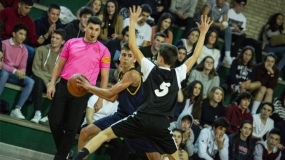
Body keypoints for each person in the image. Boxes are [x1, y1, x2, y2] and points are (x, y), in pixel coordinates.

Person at [72, 6, 213, 160]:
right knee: (175, 158)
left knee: (104, 135)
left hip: (142, 116)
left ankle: (78, 157)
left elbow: (133, 45)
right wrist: (203, 33)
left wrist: (132, 22)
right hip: (160, 123)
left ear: (159, 58)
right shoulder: (178, 73)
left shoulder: (150, 69)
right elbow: (195, 56)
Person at [77, 42, 159, 160]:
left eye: (130, 56)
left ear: (135, 59)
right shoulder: (122, 74)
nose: (125, 58)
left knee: (153, 156)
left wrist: (89, 87)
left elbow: (110, 93)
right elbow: (112, 98)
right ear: (119, 56)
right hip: (121, 116)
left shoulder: (133, 75)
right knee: (85, 132)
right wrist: (93, 92)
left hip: (136, 121)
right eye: (124, 55)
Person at [46, 16, 110, 159]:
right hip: (64, 84)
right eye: (91, 28)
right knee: (53, 120)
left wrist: (100, 99)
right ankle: (66, 152)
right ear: (85, 27)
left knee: (71, 128)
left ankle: (60, 157)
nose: (93, 32)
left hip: (83, 91)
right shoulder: (71, 42)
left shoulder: (104, 51)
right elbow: (59, 65)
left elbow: (105, 77)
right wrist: (51, 83)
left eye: (97, 30)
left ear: (99, 31)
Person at [30, 29, 66, 124]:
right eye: (53, 37)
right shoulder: (41, 49)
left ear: (63, 42)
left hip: (54, 82)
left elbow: (63, 74)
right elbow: (35, 69)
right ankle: (37, 113)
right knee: (37, 81)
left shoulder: (65, 56)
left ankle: (49, 116)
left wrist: (53, 83)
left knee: (62, 87)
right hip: (41, 79)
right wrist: (48, 83)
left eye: (57, 38)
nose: (54, 40)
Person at [0, 23, 34, 119]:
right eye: (20, 34)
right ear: (14, 34)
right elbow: (1, 64)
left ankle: (17, 109)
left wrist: (22, 72)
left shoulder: (24, 49)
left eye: (24, 35)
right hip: (3, 72)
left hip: (14, 75)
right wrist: (15, 71)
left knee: (30, 81)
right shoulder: (4, 44)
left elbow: (23, 66)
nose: (23, 37)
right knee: (4, 74)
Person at [199, 0, 233, 65]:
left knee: (228, 29)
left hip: (213, 26)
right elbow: (204, 17)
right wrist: (217, 24)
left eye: (225, 0)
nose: (222, 2)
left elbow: (224, 22)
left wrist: (223, 26)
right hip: (203, 23)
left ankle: (227, 55)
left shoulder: (226, 6)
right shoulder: (211, 2)